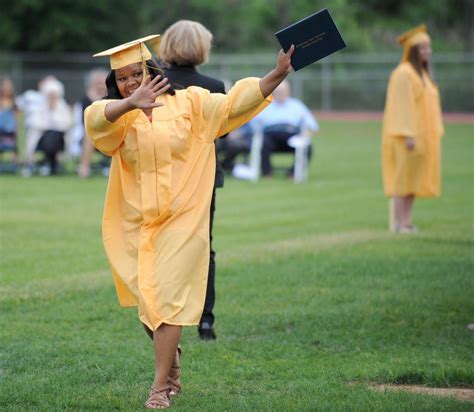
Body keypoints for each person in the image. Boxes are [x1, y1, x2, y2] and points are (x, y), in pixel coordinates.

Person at [84, 34, 294, 409]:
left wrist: (275, 75)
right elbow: (95, 121)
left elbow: (233, 104)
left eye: (136, 74)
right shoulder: (119, 114)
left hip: (181, 219)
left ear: (152, 69)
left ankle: (160, 386)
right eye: (122, 79)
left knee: (167, 298)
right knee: (147, 302)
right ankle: (172, 361)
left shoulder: (192, 103)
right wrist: (129, 103)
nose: (130, 83)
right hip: (135, 220)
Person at [157, 20, 226, 341]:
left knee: (159, 243)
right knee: (202, 246)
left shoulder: (152, 83)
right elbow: (222, 131)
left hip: (161, 176)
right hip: (202, 178)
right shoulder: (213, 85)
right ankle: (205, 320)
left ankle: (161, 310)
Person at [382, 25, 444, 233]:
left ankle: (407, 222)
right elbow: (402, 105)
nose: (428, 51)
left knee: (413, 182)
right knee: (402, 181)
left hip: (423, 136)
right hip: (406, 137)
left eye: (429, 47)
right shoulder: (403, 74)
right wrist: (408, 134)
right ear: (413, 50)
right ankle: (399, 224)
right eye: (424, 47)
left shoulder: (423, 75)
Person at [255, 80, 319, 177]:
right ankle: (267, 173)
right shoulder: (265, 105)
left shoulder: (297, 105)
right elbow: (254, 123)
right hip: (271, 136)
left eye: (283, 91)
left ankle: (292, 173)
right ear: (273, 91)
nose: (280, 93)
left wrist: (305, 134)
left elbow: (312, 125)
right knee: (262, 142)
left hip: (291, 135)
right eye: (278, 91)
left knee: (307, 147)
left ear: (288, 91)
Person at [69, 69, 109, 178]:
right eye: (97, 83)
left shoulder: (113, 98)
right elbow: (78, 123)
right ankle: (84, 168)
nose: (100, 86)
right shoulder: (84, 101)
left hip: (110, 133)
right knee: (89, 133)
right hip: (89, 135)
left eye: (103, 83)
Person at [28, 78, 72, 175]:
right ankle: (49, 164)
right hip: (42, 138)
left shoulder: (63, 107)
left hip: (59, 138)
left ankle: (48, 163)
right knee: (49, 137)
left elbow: (66, 124)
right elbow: (36, 123)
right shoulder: (40, 107)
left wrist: (52, 123)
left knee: (53, 136)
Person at [0, 78, 18, 169]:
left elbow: (16, 114)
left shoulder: (14, 101)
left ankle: (15, 162)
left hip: (10, 127)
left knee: (13, 140)